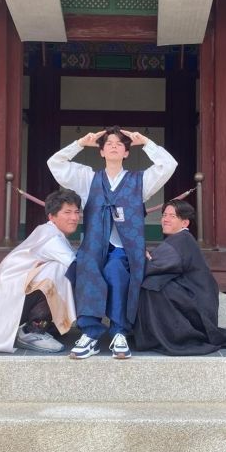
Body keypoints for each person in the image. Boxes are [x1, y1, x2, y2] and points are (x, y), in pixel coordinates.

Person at [48, 126, 177, 360]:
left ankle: (119, 332)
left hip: (123, 248)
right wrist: (80, 143)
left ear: (127, 152)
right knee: (87, 267)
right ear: (101, 152)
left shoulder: (141, 181)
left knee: (116, 270)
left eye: (120, 143)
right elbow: (55, 163)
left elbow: (168, 165)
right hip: (94, 246)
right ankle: (91, 334)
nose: (114, 146)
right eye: (108, 143)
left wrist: (146, 143)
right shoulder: (88, 179)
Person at [0, 189, 81, 353]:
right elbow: (76, 265)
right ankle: (32, 330)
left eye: (76, 212)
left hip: (15, 298)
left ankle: (46, 325)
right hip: (12, 303)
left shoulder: (50, 232)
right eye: (67, 212)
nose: (75, 218)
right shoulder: (51, 237)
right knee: (61, 269)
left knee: (62, 268)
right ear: (52, 217)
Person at [134, 200, 226, 356]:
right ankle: (156, 335)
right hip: (196, 297)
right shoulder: (180, 239)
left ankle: (174, 336)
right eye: (164, 215)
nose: (166, 219)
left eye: (172, 216)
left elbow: (153, 266)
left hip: (197, 302)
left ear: (185, 222)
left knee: (151, 285)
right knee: (154, 283)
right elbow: (158, 261)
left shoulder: (181, 240)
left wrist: (143, 257)